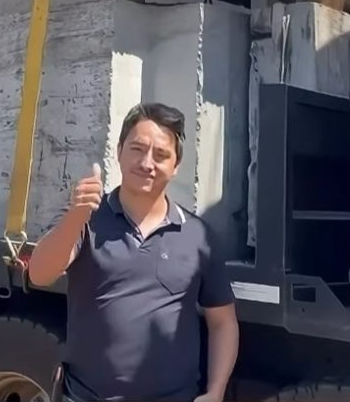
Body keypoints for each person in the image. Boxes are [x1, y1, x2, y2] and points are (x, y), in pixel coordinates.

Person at [28, 103, 239, 402]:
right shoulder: (86, 218)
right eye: (137, 149)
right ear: (119, 152)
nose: (147, 162)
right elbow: (39, 273)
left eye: (161, 155)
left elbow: (223, 322)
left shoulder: (198, 236)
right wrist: (77, 216)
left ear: (176, 165)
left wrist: (216, 391)